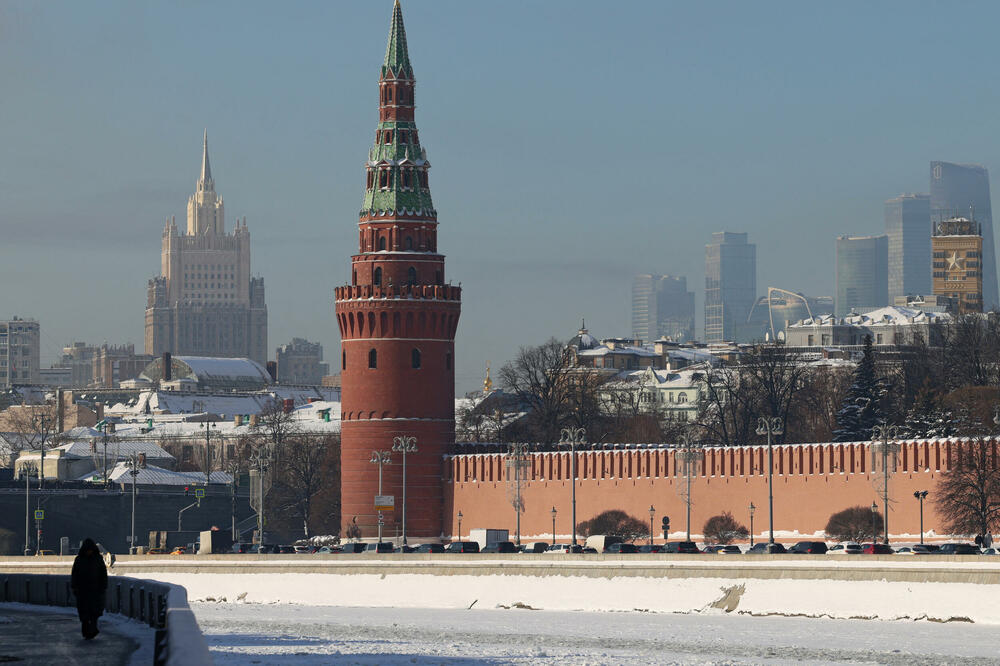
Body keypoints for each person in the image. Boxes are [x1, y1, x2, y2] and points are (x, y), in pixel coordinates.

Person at [71, 538, 108, 640]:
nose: (89, 552)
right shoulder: (95, 559)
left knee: (93, 613)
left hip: (92, 591)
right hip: (86, 591)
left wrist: (103, 586)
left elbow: (103, 575)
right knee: (86, 614)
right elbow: (75, 575)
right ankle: (88, 631)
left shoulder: (81, 559)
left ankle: (90, 631)